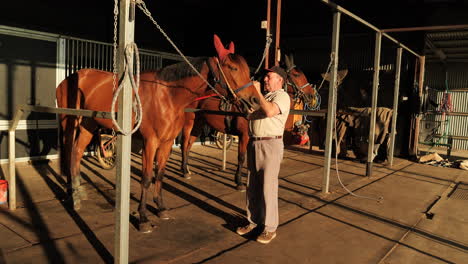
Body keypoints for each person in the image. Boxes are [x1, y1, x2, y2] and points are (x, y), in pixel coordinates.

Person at [236, 66, 290, 244]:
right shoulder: (265, 97)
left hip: (271, 143)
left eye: (269, 77)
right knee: (252, 186)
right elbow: (250, 115)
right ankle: (253, 222)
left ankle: (269, 228)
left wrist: (257, 92)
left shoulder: (281, 96)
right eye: (265, 78)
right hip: (255, 142)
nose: (265, 80)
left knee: (268, 187)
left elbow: (269, 112)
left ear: (279, 80)